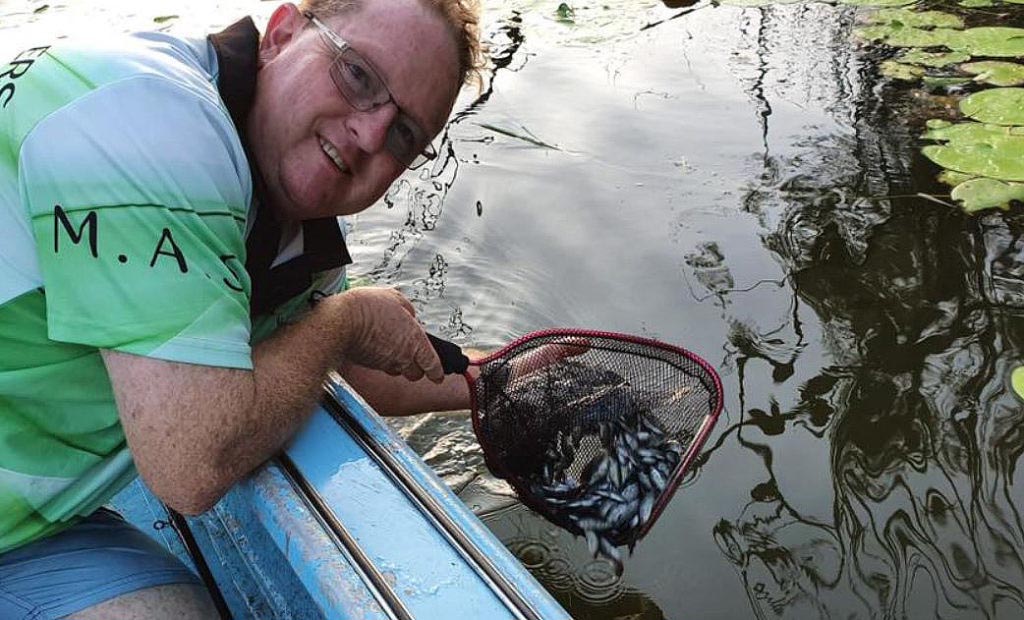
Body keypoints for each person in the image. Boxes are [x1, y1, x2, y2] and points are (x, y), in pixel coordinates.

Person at [0, 0, 488, 617]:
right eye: (358, 75)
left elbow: (342, 365)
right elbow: (192, 463)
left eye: (402, 134)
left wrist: (490, 378)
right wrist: (347, 322)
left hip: (28, 533)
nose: (369, 134)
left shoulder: (289, 235)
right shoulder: (147, 117)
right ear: (281, 34)